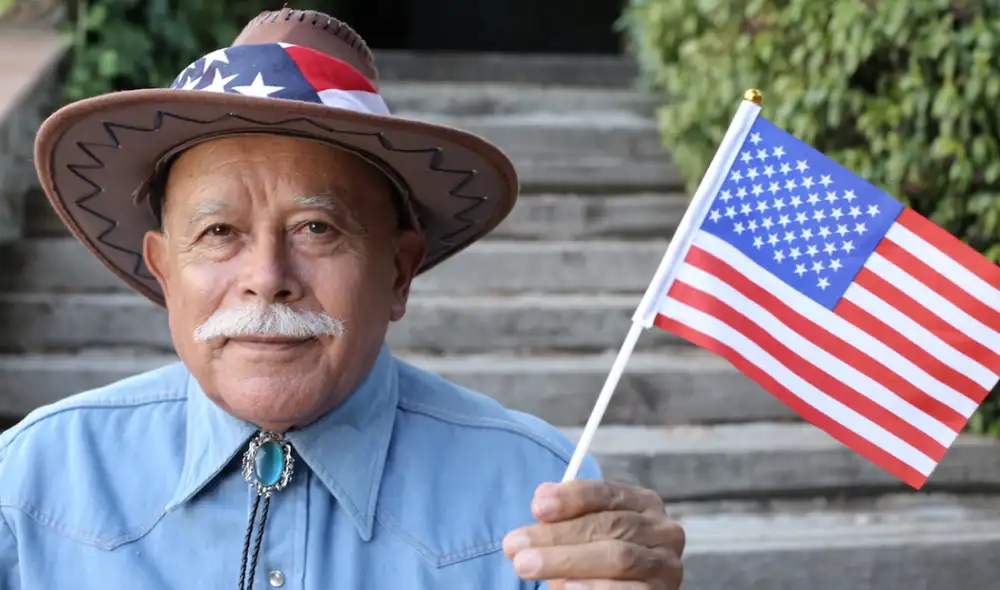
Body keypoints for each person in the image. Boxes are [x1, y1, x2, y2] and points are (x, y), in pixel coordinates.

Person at [0, 7, 685, 589]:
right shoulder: (32, 485)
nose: (267, 276)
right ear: (161, 270)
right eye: (218, 232)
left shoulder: (539, 501)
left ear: (397, 272)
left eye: (316, 228)